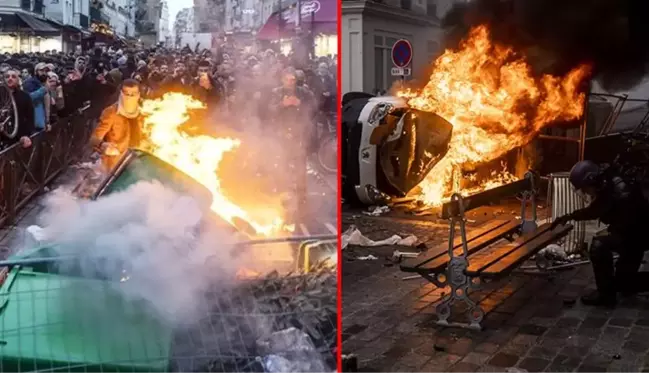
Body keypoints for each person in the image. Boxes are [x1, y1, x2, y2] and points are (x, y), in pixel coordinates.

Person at [551, 160, 649, 307]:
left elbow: (628, 231)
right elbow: (596, 209)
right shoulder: (609, 184)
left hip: (638, 236)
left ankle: (606, 297)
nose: (585, 192)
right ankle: (618, 287)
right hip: (636, 234)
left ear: (592, 180)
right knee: (624, 284)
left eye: (584, 188)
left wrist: (611, 236)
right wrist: (569, 217)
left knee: (599, 245)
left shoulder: (620, 191)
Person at [90, 79, 143, 172]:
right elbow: (94, 139)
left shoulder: (145, 112)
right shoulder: (111, 112)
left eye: (133, 94)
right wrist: (103, 145)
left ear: (138, 94)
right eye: (126, 93)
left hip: (139, 163)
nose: (129, 97)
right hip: (116, 166)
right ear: (121, 93)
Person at [3, 69, 35, 149]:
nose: (10, 78)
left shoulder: (25, 96)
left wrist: (26, 135)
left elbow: (30, 118)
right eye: (7, 77)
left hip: (20, 139)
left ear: (18, 80)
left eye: (13, 77)